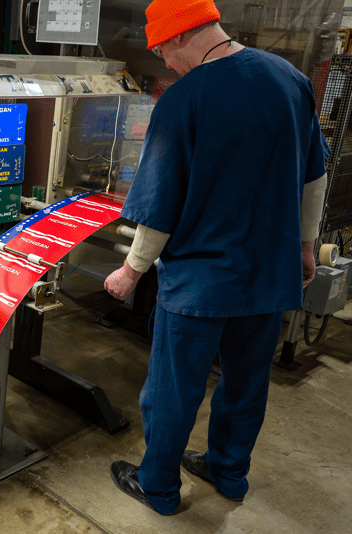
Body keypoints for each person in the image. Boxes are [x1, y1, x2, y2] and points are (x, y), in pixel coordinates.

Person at [104, 0, 330, 516]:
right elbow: (313, 175)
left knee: (172, 391)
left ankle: (158, 486)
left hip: (202, 283)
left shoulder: (183, 100)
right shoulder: (290, 79)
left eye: (162, 49)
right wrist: (305, 247)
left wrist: (129, 270)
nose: (163, 62)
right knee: (247, 384)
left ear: (182, 35)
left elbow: (160, 208)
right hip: (270, 276)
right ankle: (229, 472)